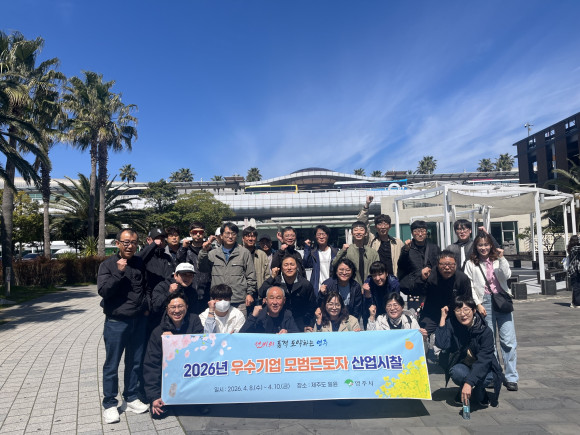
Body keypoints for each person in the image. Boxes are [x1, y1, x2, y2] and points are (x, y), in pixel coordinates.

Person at [97, 229, 149, 424]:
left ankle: (131, 397)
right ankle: (110, 404)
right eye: (126, 242)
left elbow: (145, 288)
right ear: (117, 243)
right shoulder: (108, 265)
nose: (130, 246)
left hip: (138, 320)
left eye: (133, 242)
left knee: (134, 362)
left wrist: (146, 307)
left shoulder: (139, 263)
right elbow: (103, 291)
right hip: (116, 322)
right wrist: (118, 273)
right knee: (112, 364)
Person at [464, 232, 519, 392]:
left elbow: (506, 275)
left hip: (501, 300)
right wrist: (478, 304)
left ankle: (511, 377)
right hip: (484, 302)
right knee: (489, 342)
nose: (483, 248)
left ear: (491, 245)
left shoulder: (497, 260)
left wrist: (502, 259)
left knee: (508, 340)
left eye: (486, 245)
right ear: (476, 246)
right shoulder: (471, 263)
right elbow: (470, 285)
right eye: (480, 245)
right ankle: (494, 375)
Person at [143, 292, 203, 419]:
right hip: (170, 380)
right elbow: (151, 365)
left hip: (190, 374)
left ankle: (196, 398)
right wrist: (154, 396)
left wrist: (175, 341)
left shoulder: (195, 321)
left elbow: (201, 350)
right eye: (173, 307)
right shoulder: (158, 332)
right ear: (167, 309)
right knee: (158, 414)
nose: (177, 310)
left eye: (180, 306)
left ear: (187, 306)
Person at [435, 296, 503, 409]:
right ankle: (465, 389)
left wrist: (469, 383)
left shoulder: (485, 331)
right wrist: (443, 318)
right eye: (458, 310)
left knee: (489, 377)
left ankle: (479, 390)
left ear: (474, 310)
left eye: (466, 309)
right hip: (463, 365)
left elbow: (484, 360)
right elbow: (441, 344)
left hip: (483, 367)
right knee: (456, 372)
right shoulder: (453, 324)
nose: (463, 314)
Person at [198, 222, 257, 318]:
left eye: (233, 234)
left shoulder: (244, 253)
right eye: (227, 233)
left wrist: (249, 293)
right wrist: (204, 251)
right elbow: (202, 268)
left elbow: (251, 275)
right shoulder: (213, 254)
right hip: (218, 300)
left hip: (238, 300)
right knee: (218, 326)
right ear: (221, 236)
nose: (230, 236)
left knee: (239, 326)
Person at [419, 251, 472, 338]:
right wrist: (421, 279)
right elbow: (417, 291)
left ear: (456, 265)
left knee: (461, 335)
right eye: (443, 264)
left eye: (450, 264)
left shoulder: (462, 278)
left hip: (454, 313)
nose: (447, 268)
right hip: (431, 313)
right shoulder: (430, 275)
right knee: (421, 334)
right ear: (437, 264)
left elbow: (467, 299)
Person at [258, 255, 316, 331]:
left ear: (297, 267)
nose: (289, 268)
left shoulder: (305, 284)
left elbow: (311, 306)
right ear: (281, 268)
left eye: (292, 264)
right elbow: (261, 292)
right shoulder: (275, 282)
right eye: (286, 265)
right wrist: (272, 277)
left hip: (299, 323)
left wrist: (308, 324)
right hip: (279, 321)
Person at [397, 220, 440, 312]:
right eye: (416, 231)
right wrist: (405, 251)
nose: (420, 234)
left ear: (426, 232)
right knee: (414, 316)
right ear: (412, 233)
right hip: (414, 290)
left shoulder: (434, 248)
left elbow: (438, 267)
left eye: (422, 231)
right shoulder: (407, 248)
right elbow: (401, 266)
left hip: (430, 289)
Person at [136, 228, 174, 330]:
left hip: (165, 299)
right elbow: (136, 260)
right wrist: (153, 245)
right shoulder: (144, 256)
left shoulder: (168, 258)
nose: (160, 242)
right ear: (148, 240)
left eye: (162, 239)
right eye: (157, 239)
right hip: (149, 303)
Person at [357, 195, 405, 275]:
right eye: (380, 224)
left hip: (393, 278)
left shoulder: (397, 242)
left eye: (385, 224)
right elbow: (362, 222)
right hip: (376, 277)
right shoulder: (371, 240)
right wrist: (367, 205)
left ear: (390, 226)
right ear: (376, 227)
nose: (383, 227)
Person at [332, 221, 380, 286]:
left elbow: (377, 270)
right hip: (351, 286)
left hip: (369, 286)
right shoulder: (347, 250)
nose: (358, 232)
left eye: (361, 230)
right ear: (352, 233)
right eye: (356, 230)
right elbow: (334, 264)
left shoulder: (372, 252)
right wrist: (342, 251)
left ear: (366, 233)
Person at [176, 221, 212, 307]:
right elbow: (178, 262)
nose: (198, 235)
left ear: (204, 233)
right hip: (189, 290)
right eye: (195, 232)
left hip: (206, 290)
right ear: (190, 234)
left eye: (201, 232)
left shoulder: (210, 250)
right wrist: (183, 248)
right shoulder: (185, 249)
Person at [303, 224, 339, 296]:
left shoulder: (336, 252)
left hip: (333, 287)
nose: (321, 237)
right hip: (318, 288)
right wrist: (307, 248)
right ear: (315, 237)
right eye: (319, 234)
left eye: (324, 234)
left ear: (328, 236)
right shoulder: (313, 253)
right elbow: (306, 264)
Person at [566, 235, 580, 308]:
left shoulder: (570, 248)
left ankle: (574, 302)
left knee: (576, 286)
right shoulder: (574, 248)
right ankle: (576, 303)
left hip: (575, 270)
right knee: (577, 286)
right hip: (575, 270)